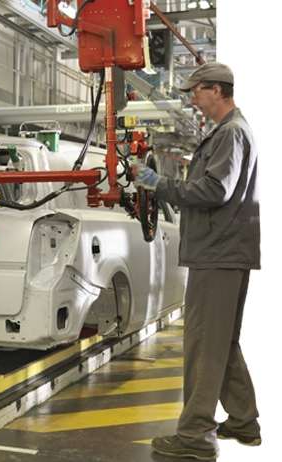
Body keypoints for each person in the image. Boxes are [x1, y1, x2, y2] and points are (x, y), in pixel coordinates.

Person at [135, 62, 261, 460]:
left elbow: (214, 190)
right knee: (222, 343)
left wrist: (160, 185)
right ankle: (242, 420)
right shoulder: (228, 133)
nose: (192, 98)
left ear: (217, 90)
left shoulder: (232, 134)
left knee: (205, 345)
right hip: (222, 251)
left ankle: (194, 437)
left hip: (218, 253)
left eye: (196, 90)